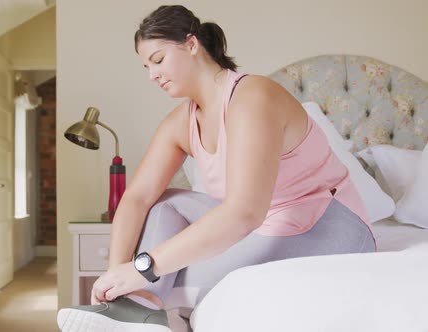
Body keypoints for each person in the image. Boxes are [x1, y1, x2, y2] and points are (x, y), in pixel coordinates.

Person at [57, 4, 376, 332]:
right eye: (145, 67)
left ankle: (141, 308)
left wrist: (142, 269)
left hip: (329, 228)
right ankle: (130, 311)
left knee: (169, 273)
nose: (151, 75)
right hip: (263, 228)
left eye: (158, 60)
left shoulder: (252, 97)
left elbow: (244, 213)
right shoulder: (180, 122)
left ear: (191, 45)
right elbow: (137, 198)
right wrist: (116, 275)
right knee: (162, 203)